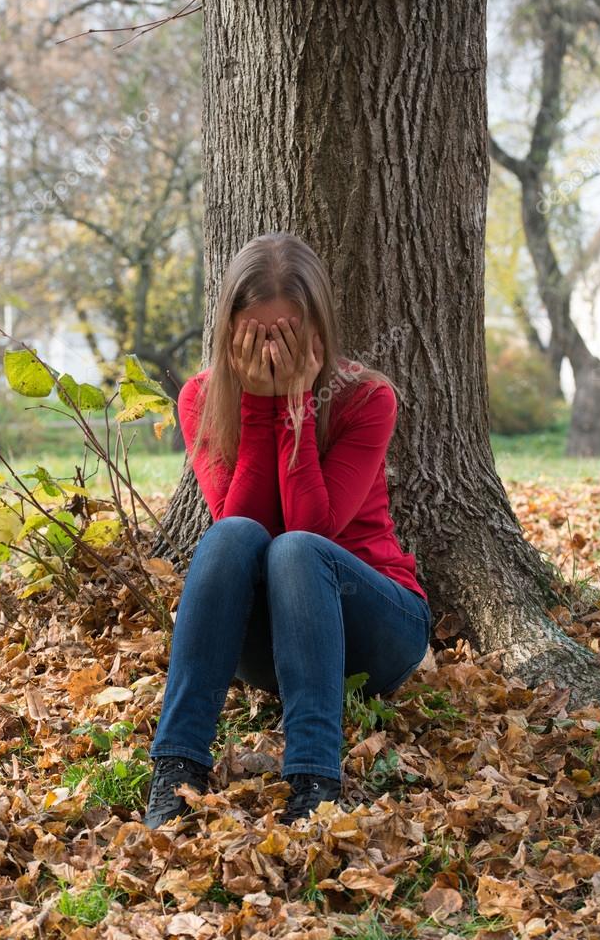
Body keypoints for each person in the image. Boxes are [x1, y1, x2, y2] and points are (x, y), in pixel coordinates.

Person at [143, 231, 432, 830]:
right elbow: (243, 525)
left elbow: (310, 530)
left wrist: (295, 406)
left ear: (318, 330)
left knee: (298, 549)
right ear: (229, 333)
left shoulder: (367, 398)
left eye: (287, 335)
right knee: (230, 537)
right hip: (272, 645)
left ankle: (314, 780)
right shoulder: (201, 398)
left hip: (376, 628)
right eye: (256, 336)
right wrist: (257, 407)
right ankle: (176, 767)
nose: (272, 352)